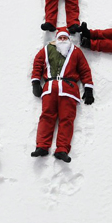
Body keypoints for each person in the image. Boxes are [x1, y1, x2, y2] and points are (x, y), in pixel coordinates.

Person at [30, 28, 94, 162]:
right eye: (61, 38)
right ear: (57, 39)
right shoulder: (47, 49)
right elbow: (37, 64)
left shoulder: (76, 52)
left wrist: (88, 88)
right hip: (50, 88)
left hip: (68, 90)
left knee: (67, 119)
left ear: (69, 39)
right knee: (46, 117)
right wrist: (36, 82)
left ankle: (62, 149)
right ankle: (41, 146)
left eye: (65, 38)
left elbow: (84, 70)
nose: (63, 40)